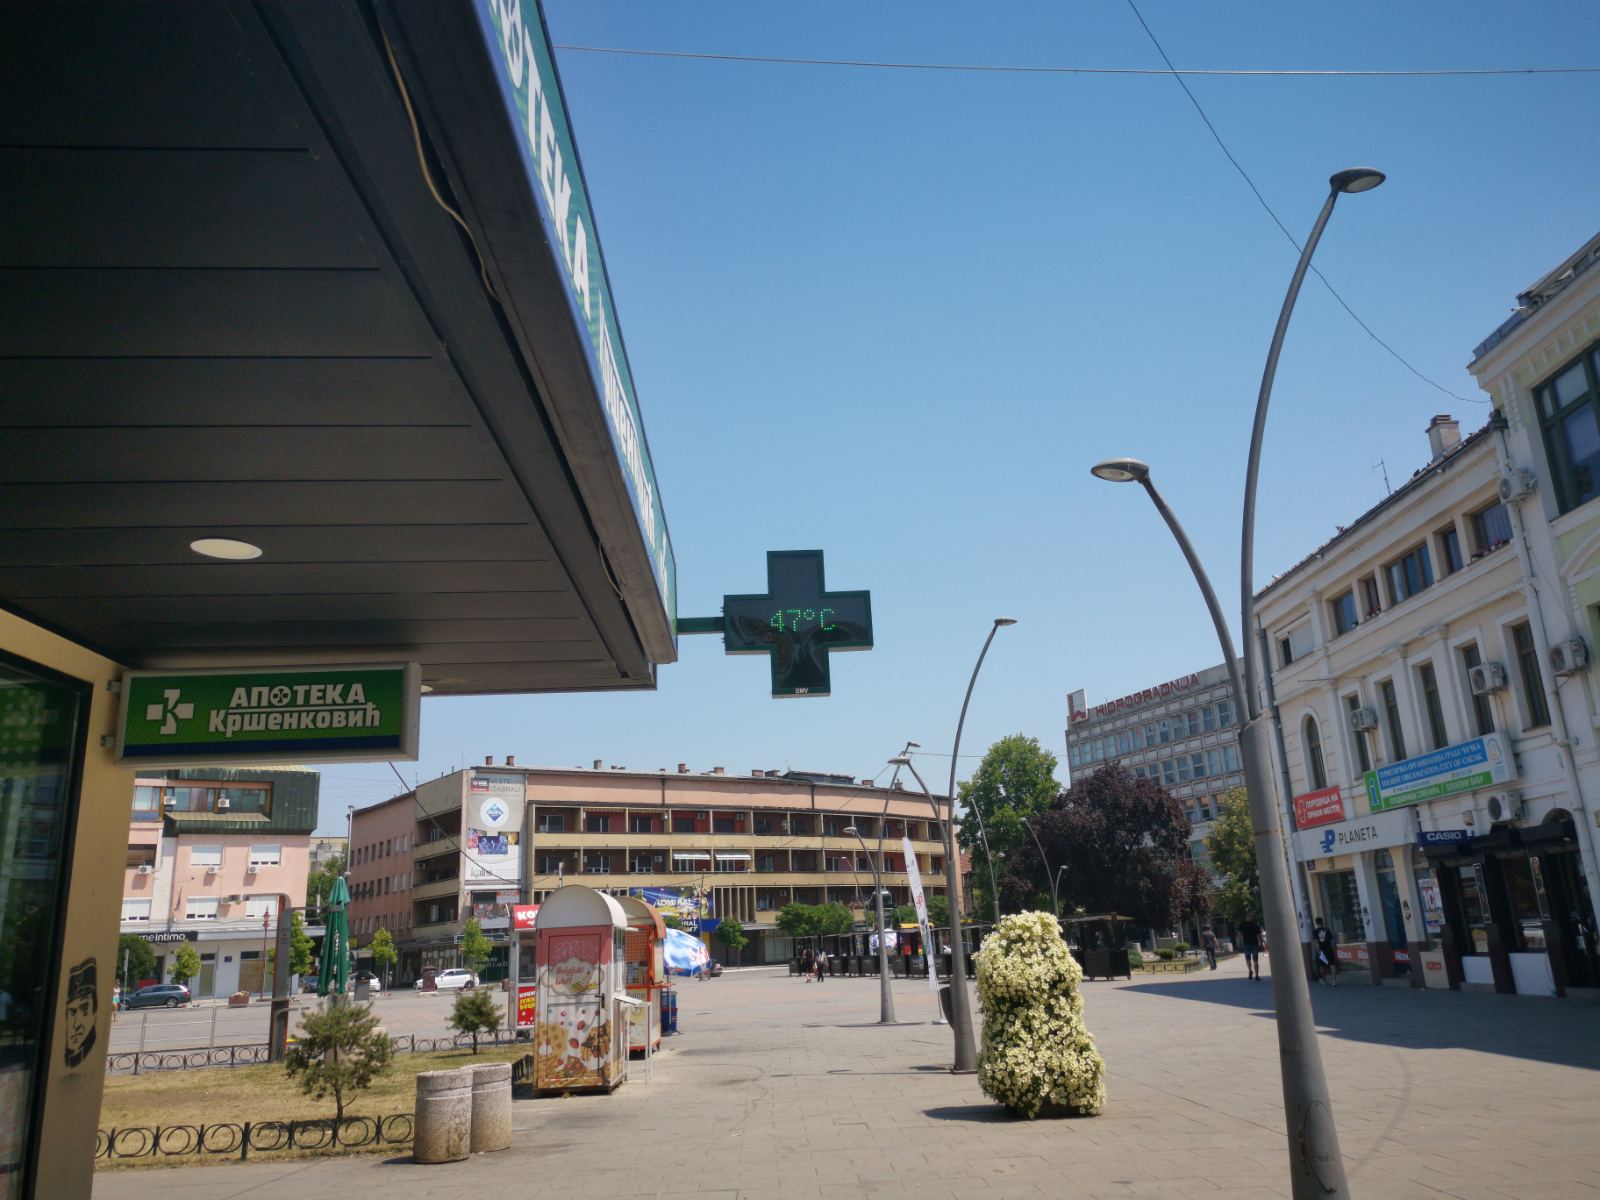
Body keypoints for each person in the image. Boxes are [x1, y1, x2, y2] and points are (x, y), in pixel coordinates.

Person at [1312, 916, 1338, 986]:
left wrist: (1318, 950)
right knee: (1332, 964)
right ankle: (1334, 981)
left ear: (1316, 923)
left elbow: (1316, 941)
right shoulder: (1327, 930)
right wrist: (1334, 948)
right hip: (1329, 949)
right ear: (1322, 922)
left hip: (1321, 950)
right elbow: (1331, 940)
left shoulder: (1315, 931)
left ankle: (1323, 980)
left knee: (1322, 966)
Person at [1238, 911, 1263, 981]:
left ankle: (1257, 975)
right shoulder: (1242, 924)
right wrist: (1239, 943)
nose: (1251, 916)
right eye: (1250, 915)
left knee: (1255, 960)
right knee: (1247, 959)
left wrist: (1261, 943)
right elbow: (1240, 934)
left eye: (1252, 915)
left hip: (1254, 944)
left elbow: (1259, 935)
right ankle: (1250, 971)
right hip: (1246, 944)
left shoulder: (1255, 924)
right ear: (1246, 915)